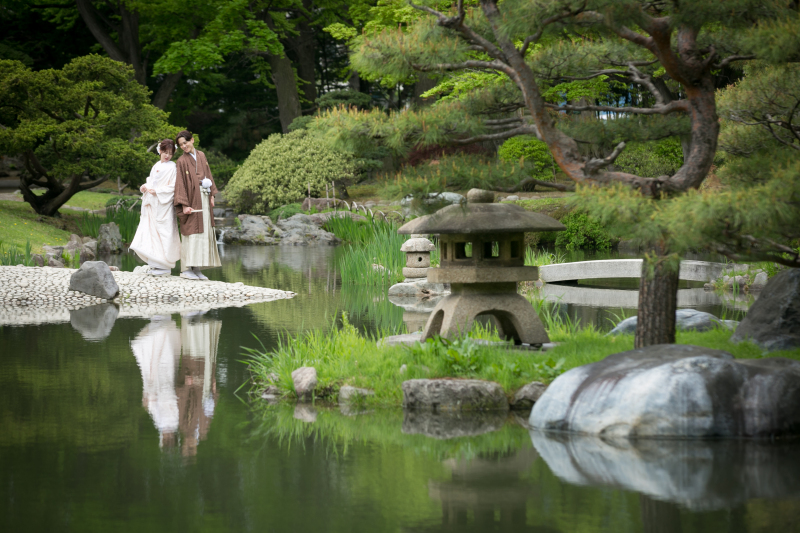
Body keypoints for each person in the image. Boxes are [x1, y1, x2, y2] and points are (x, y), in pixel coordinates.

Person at [129, 139, 181, 276]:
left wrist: (158, 191)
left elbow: (173, 186)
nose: (167, 156)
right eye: (165, 152)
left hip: (163, 205)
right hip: (152, 203)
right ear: (160, 151)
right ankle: (155, 264)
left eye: (170, 153)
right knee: (150, 232)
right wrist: (145, 187)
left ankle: (164, 266)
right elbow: (151, 181)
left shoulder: (173, 167)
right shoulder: (156, 165)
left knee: (163, 232)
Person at [174, 130, 221, 280]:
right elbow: (180, 183)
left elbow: (208, 174)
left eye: (185, 142)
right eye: (181, 145)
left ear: (192, 140)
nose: (184, 146)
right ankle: (186, 269)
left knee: (203, 231)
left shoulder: (201, 155)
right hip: (191, 198)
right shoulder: (181, 161)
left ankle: (197, 268)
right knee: (192, 232)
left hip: (204, 196)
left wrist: (212, 194)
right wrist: (184, 205)